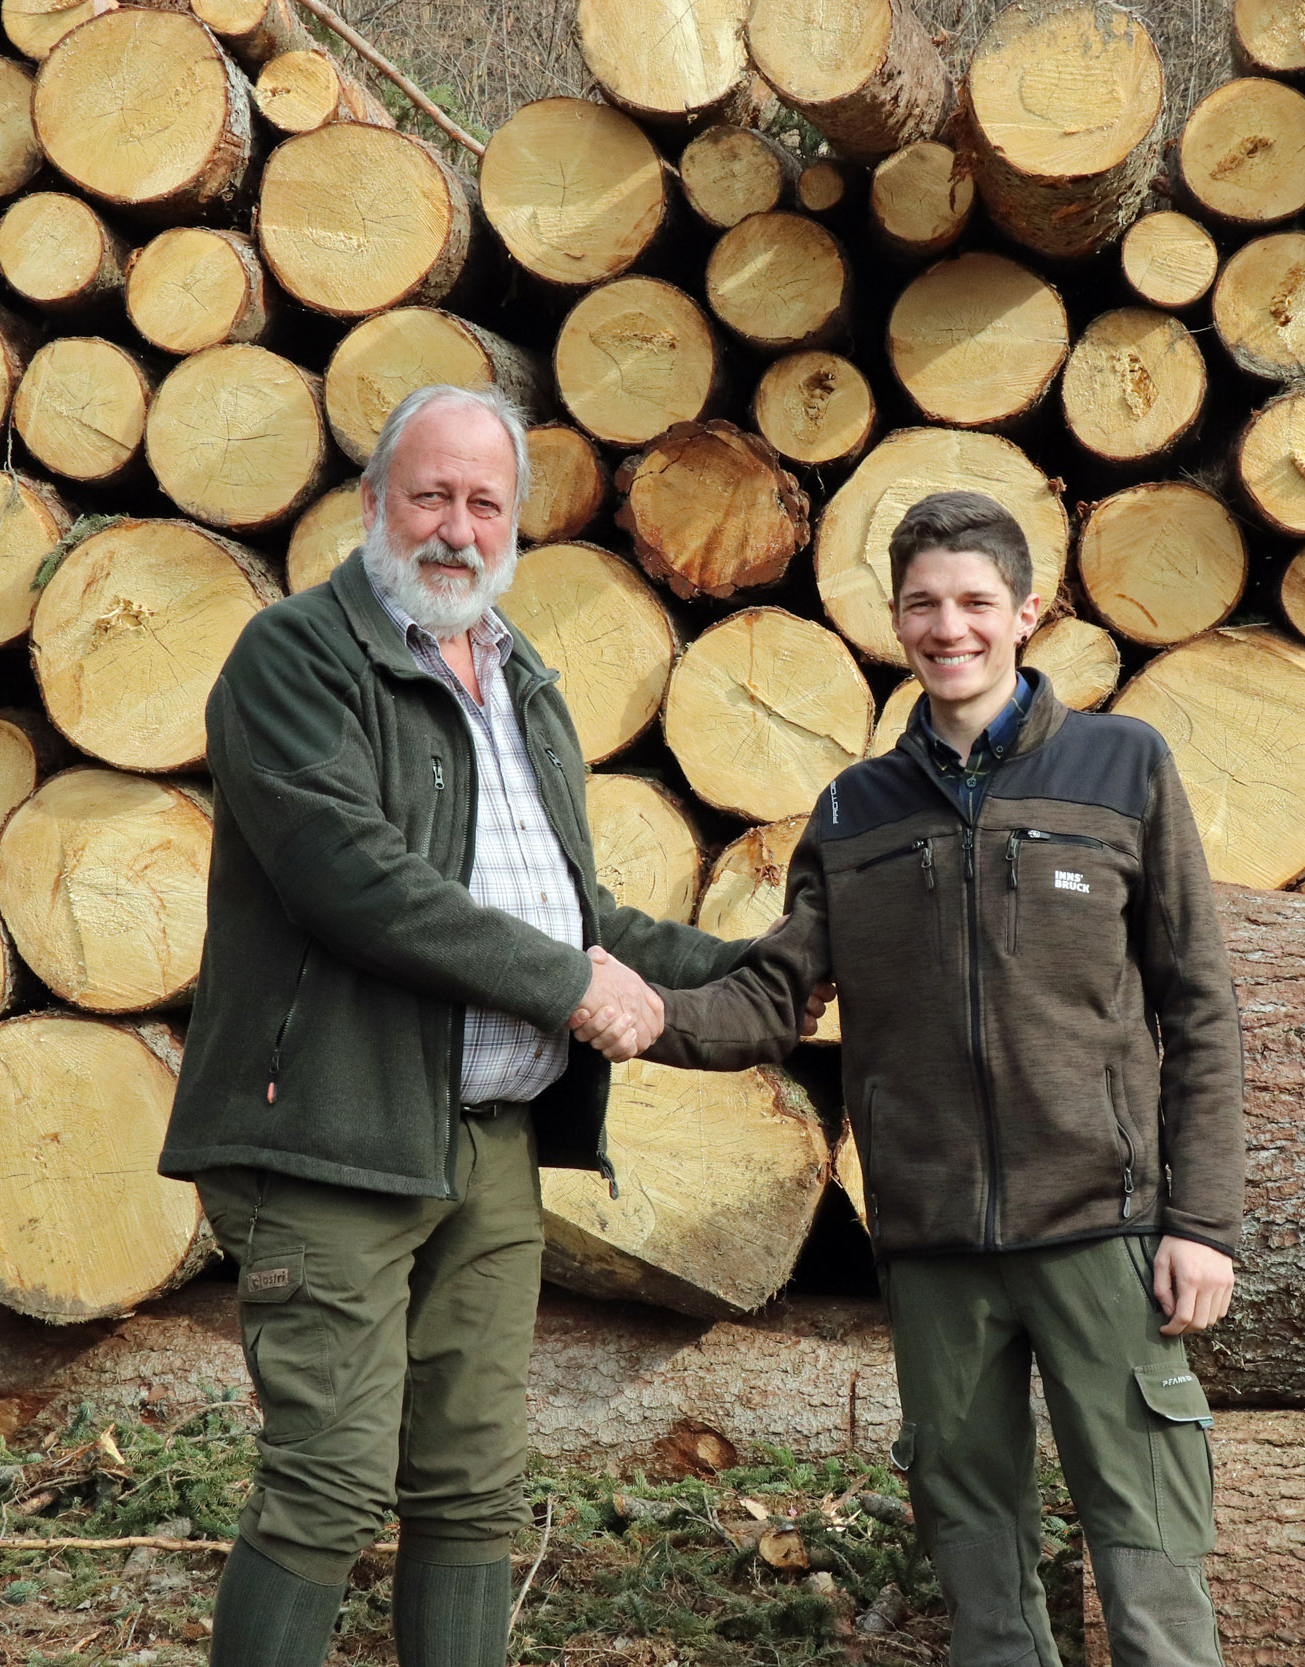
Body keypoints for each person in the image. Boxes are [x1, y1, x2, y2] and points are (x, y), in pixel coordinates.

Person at [161, 383, 770, 1667]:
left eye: (484, 502)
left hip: (486, 1142)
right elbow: (356, 879)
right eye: (429, 494)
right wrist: (568, 987)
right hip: (327, 1131)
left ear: (516, 528)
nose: (455, 526)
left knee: (471, 1491)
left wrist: (763, 978)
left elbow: (572, 909)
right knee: (326, 1484)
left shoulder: (522, 681)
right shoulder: (295, 658)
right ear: (374, 503)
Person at [596, 490, 1246, 1667]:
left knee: (1150, 1571)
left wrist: (1199, 1222)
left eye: (974, 602)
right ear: (896, 622)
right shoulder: (855, 808)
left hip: (1099, 1231)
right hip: (935, 1246)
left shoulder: (1121, 766)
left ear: (1026, 613)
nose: (950, 627)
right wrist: (649, 1014)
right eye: (923, 605)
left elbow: (1197, 1006)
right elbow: (769, 997)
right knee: (981, 1581)